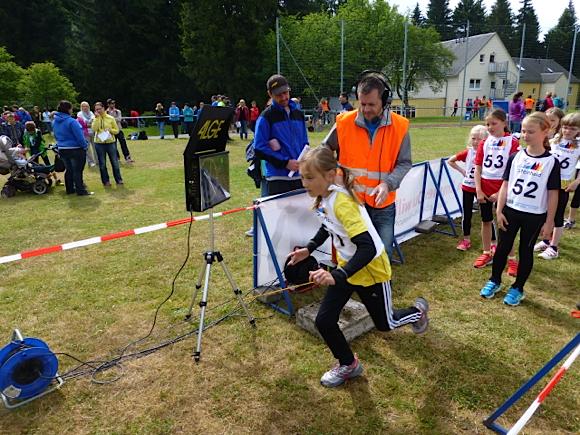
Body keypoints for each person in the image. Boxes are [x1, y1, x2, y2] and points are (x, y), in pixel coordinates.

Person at [287, 146, 429, 387]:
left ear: (330, 175)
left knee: (386, 324)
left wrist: (337, 275)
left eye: (309, 177)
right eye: (302, 176)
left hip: (371, 271)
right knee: (325, 321)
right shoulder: (325, 198)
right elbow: (328, 226)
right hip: (347, 269)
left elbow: (368, 247)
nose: (304, 182)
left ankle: (418, 311)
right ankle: (348, 364)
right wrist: (308, 249)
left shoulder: (342, 202)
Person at [322, 71, 412, 260]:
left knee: (382, 253)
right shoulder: (343, 123)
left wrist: (387, 184)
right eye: (362, 104)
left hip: (383, 205)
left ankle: (379, 289)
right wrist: (332, 175)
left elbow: (404, 162)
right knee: (351, 254)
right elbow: (324, 151)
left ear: (385, 101)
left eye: (371, 104)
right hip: (351, 202)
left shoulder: (400, 126)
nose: (366, 109)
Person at [479, 112, 560, 306]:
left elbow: (552, 194)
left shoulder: (551, 162)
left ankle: (518, 288)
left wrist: (549, 222)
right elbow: (505, 185)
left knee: (525, 250)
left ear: (545, 132)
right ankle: (494, 280)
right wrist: (499, 210)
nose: (525, 135)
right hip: (511, 211)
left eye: (531, 131)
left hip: (534, 215)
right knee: (502, 248)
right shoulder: (515, 157)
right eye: (523, 131)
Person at [473, 109, 520, 271]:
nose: (490, 127)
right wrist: (478, 190)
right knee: (486, 221)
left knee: (504, 225)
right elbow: (477, 168)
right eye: (487, 124)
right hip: (484, 188)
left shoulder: (512, 142)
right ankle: (487, 252)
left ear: (504, 123)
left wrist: (500, 192)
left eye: (494, 123)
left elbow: (514, 170)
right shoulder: (484, 142)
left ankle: (511, 258)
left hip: (503, 189)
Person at [254, 74, 309, 196]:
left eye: (286, 92)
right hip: (278, 179)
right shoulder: (266, 117)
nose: (284, 97)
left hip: (300, 176)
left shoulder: (298, 114)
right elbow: (258, 148)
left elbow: (305, 142)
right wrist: (285, 163)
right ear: (270, 94)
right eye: (279, 95)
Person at [534, 112, 580, 259]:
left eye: (572, 129)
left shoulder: (578, 145)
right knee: (546, 213)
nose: (567, 131)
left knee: (558, 216)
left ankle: (554, 247)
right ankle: (546, 240)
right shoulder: (554, 141)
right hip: (547, 182)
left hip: (563, 185)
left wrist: (576, 182)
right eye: (565, 127)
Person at [447, 125, 492, 251]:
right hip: (467, 187)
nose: (476, 142)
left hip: (483, 189)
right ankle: (466, 239)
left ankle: (493, 242)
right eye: (473, 138)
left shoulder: (489, 153)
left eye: (479, 139)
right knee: (466, 214)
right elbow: (451, 161)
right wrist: (462, 171)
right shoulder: (468, 152)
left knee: (487, 217)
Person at [52, 100, 92, 196]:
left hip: (62, 149)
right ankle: (80, 190)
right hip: (75, 149)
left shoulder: (54, 122)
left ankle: (70, 189)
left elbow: (56, 136)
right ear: (68, 109)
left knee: (69, 170)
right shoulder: (72, 121)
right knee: (77, 171)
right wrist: (85, 146)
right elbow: (80, 137)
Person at [92, 101, 123, 187]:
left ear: (104, 108)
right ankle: (106, 181)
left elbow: (117, 130)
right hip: (99, 143)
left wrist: (110, 130)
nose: (98, 111)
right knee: (102, 164)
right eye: (96, 109)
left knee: (115, 162)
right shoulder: (94, 119)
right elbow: (94, 129)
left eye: (99, 109)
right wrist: (97, 119)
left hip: (110, 143)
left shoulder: (110, 118)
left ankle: (119, 179)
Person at [77, 101, 96, 167]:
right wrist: (90, 122)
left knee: (95, 147)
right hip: (85, 133)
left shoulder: (91, 112)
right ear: (81, 107)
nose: (85, 107)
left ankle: (97, 161)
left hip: (93, 132)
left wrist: (89, 123)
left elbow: (94, 120)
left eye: (86, 106)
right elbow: (84, 122)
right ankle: (91, 162)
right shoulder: (79, 114)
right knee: (87, 149)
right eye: (83, 106)